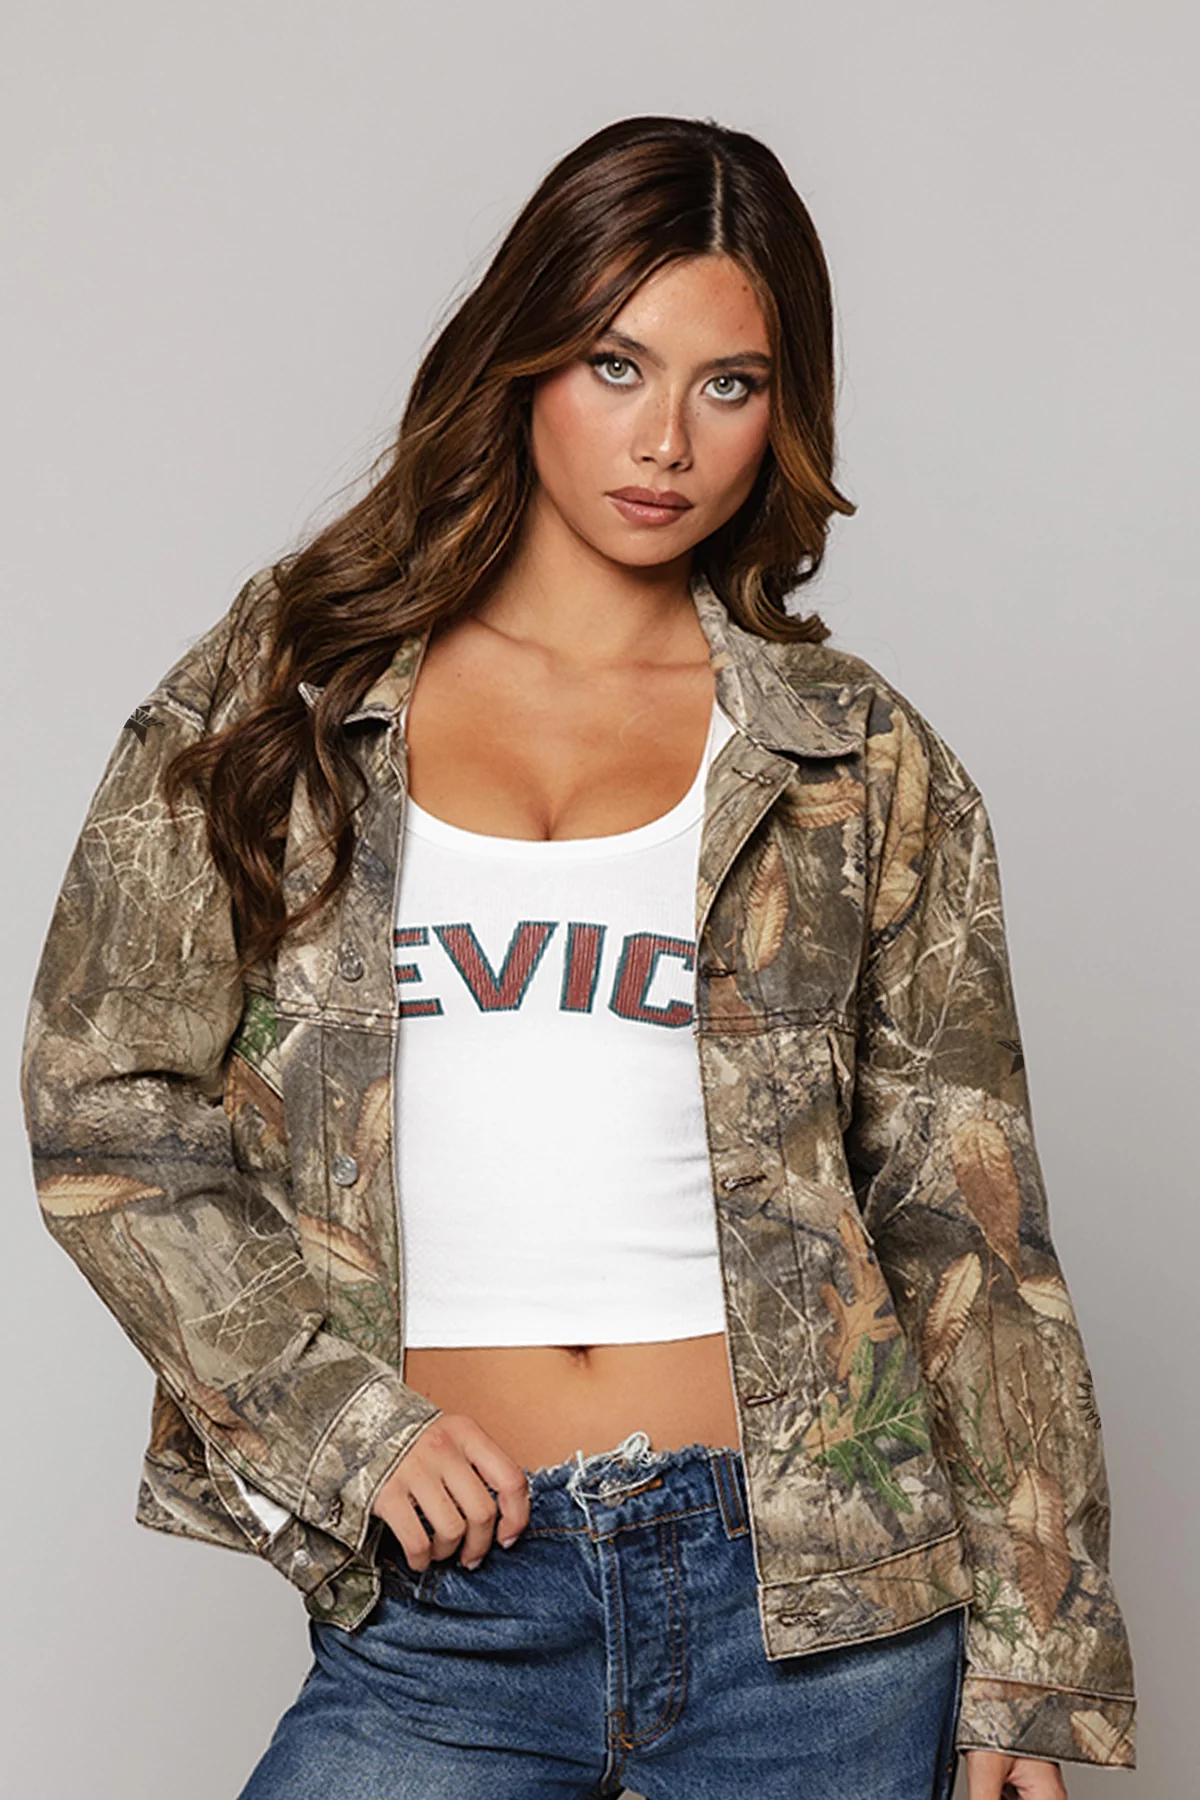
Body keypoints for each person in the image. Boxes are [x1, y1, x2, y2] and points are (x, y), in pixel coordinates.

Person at [21, 115, 1136, 1800]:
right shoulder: (290, 699)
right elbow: (106, 1106)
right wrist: (344, 1428)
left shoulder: (852, 763)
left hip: (822, 1613)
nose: (667, 439)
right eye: (618, 364)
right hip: (451, 1603)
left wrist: (1031, 1675)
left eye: (729, 384)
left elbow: (967, 1231)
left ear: (785, 409)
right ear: (526, 355)